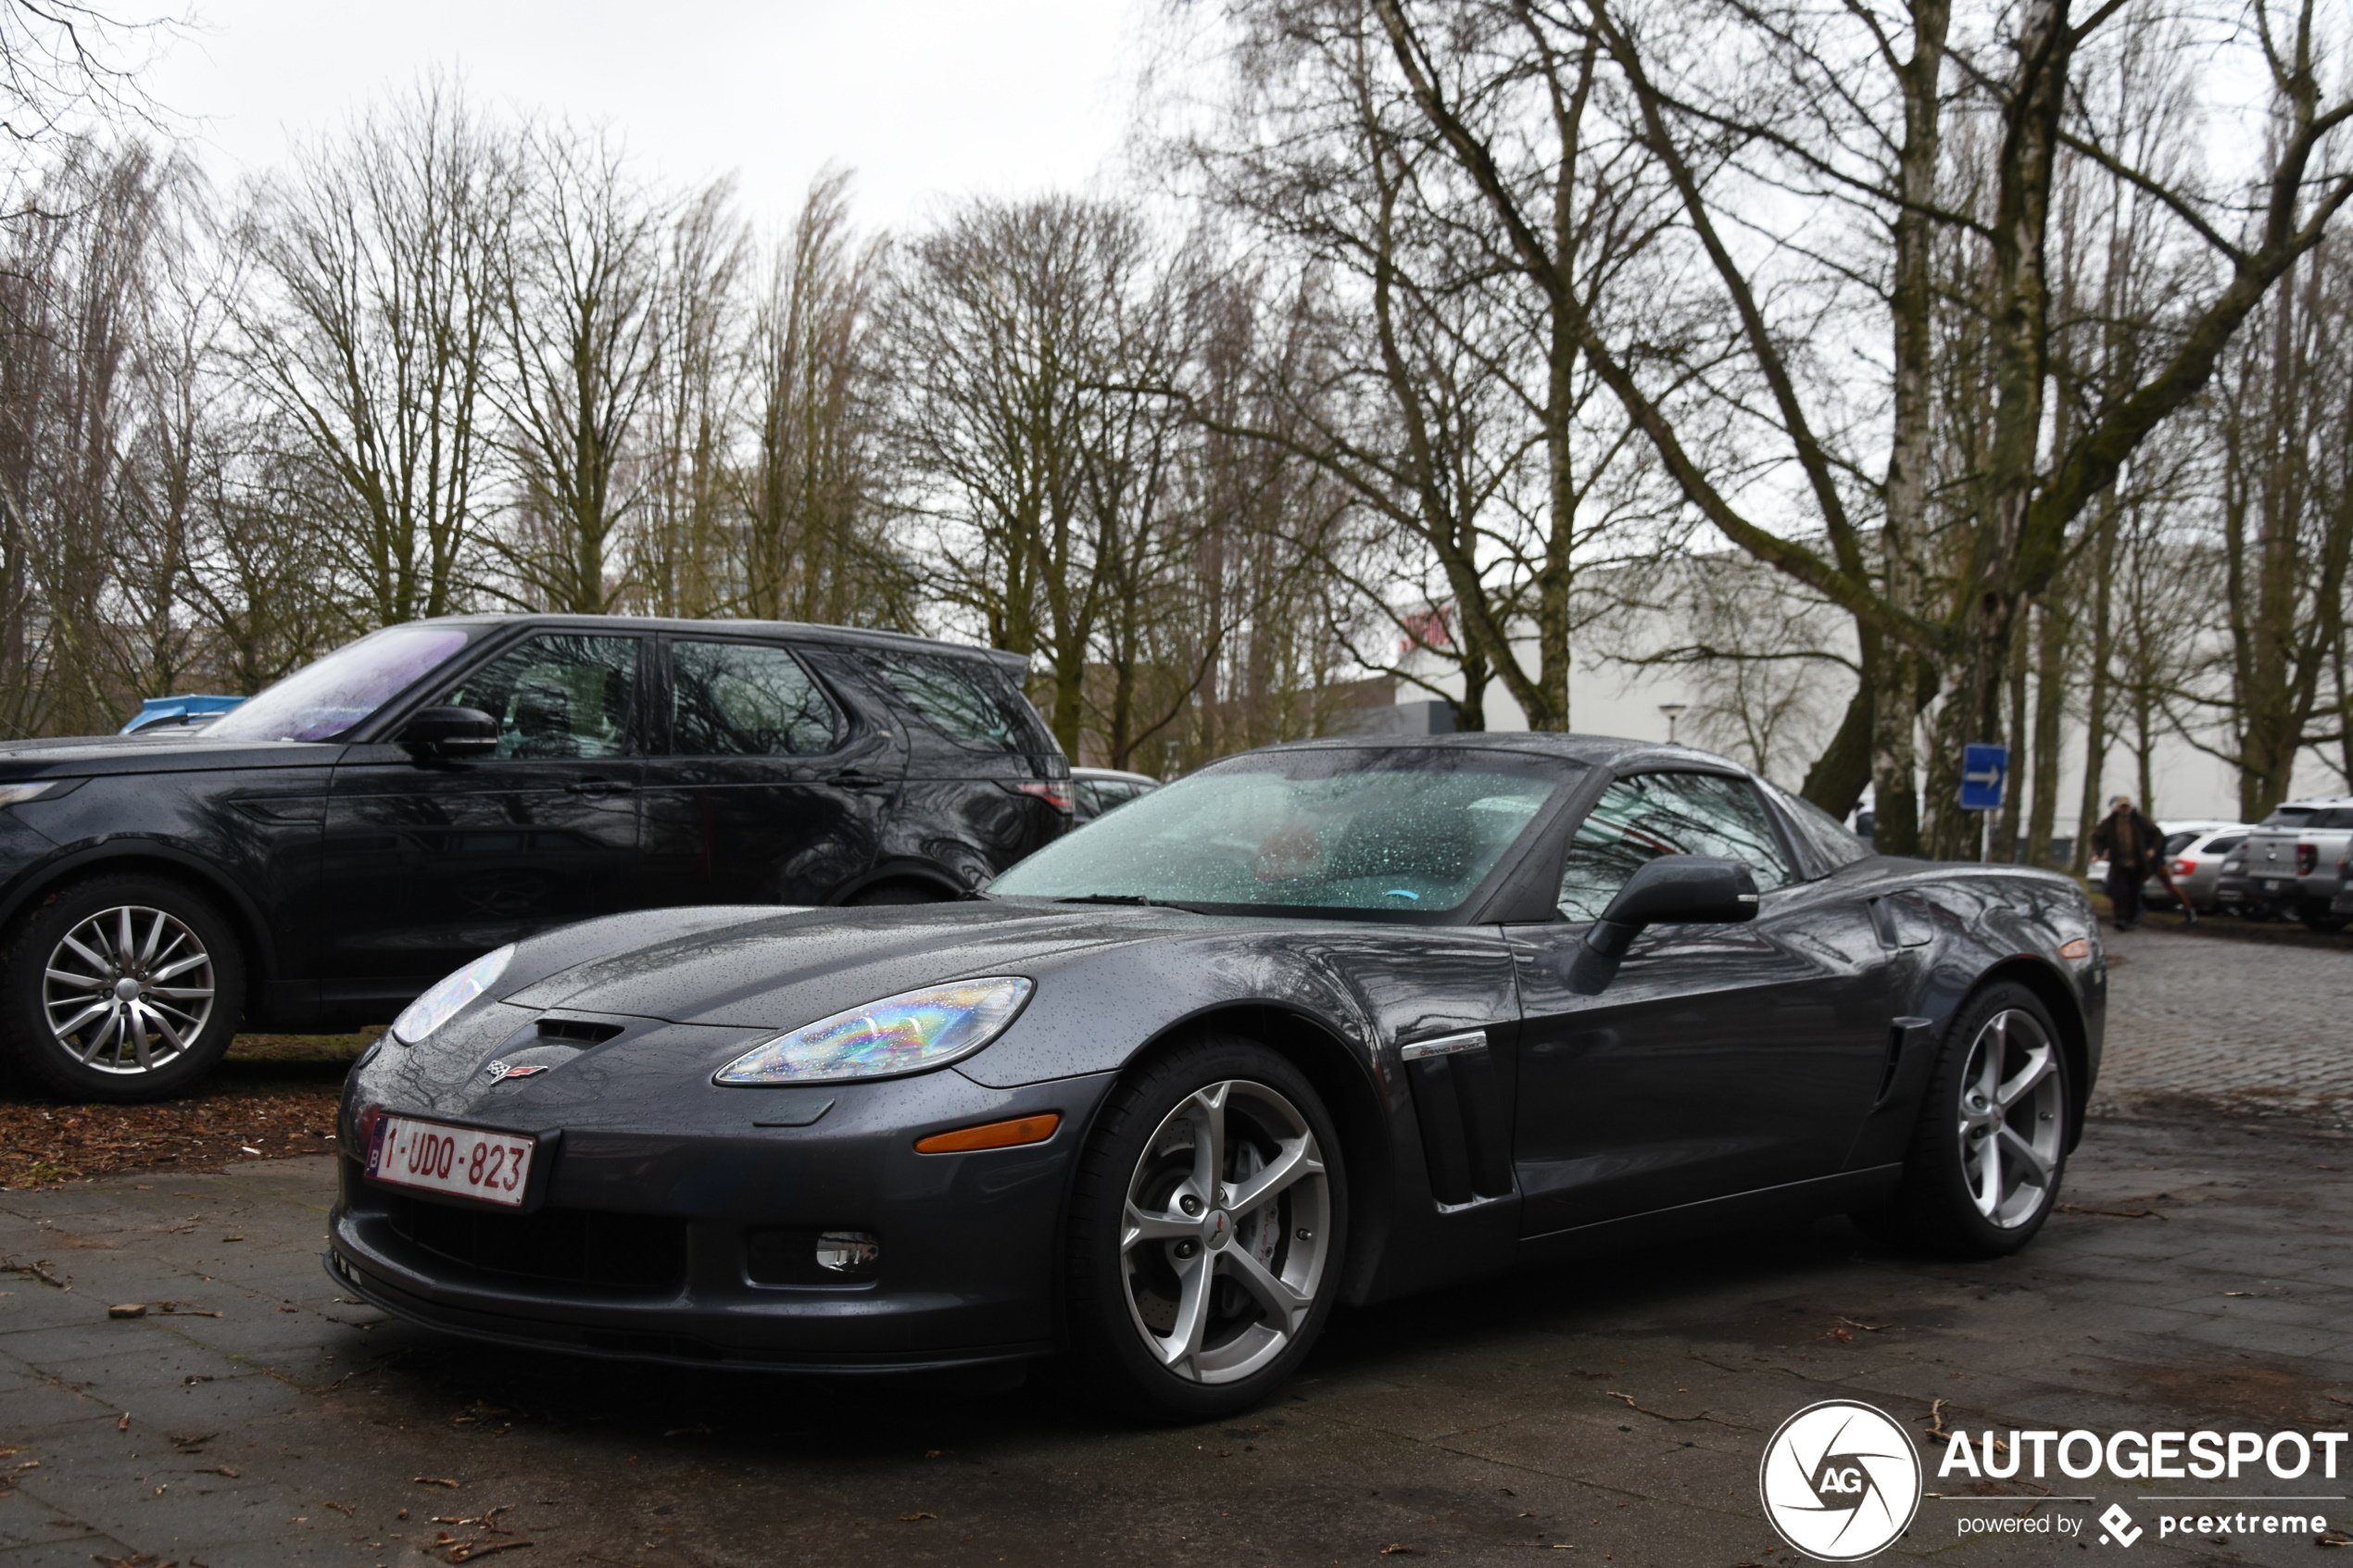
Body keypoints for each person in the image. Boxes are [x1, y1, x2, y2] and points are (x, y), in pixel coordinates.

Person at [2089, 794, 2161, 932]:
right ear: (2117, 808)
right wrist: (2097, 853)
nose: (2124, 809)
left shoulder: (2140, 821)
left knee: (2134, 892)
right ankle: (2120, 918)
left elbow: (2157, 833)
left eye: (2126, 806)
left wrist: (2152, 849)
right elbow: (2096, 837)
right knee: (2119, 891)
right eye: (2122, 807)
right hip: (2119, 863)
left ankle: (2131, 920)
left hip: (2137, 863)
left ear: (2131, 807)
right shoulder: (2109, 823)